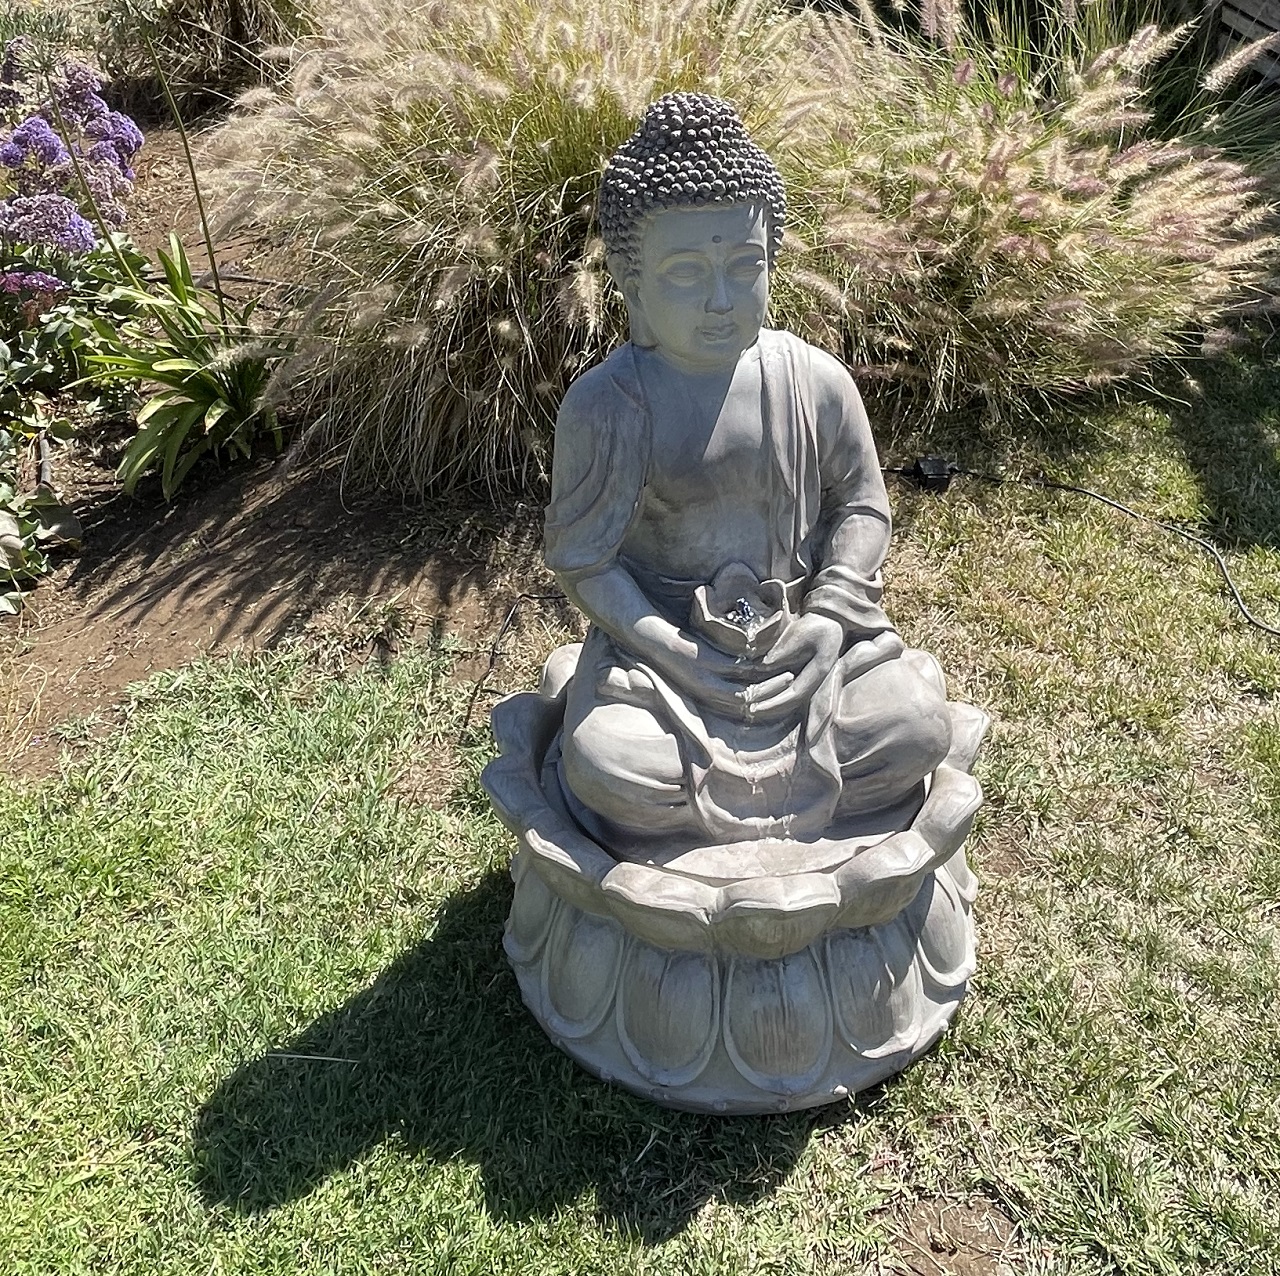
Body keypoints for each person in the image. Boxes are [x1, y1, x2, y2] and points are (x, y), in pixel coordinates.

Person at [545, 93, 951, 850]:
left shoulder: (815, 382)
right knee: (613, 766)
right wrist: (676, 653)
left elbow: (862, 507)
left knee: (917, 725)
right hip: (663, 659)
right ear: (631, 280)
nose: (721, 300)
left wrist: (828, 617)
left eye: (745, 266)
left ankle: (734, 817)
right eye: (686, 273)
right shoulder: (606, 406)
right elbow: (584, 562)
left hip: (804, 642)